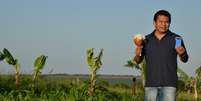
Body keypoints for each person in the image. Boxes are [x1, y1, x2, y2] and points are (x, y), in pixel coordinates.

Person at [133, 10, 189, 101]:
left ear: (169, 23)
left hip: (169, 85)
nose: (163, 24)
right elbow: (137, 60)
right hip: (151, 84)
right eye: (161, 22)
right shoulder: (146, 40)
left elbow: (185, 59)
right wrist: (137, 54)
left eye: (166, 22)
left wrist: (182, 53)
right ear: (154, 23)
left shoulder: (176, 38)